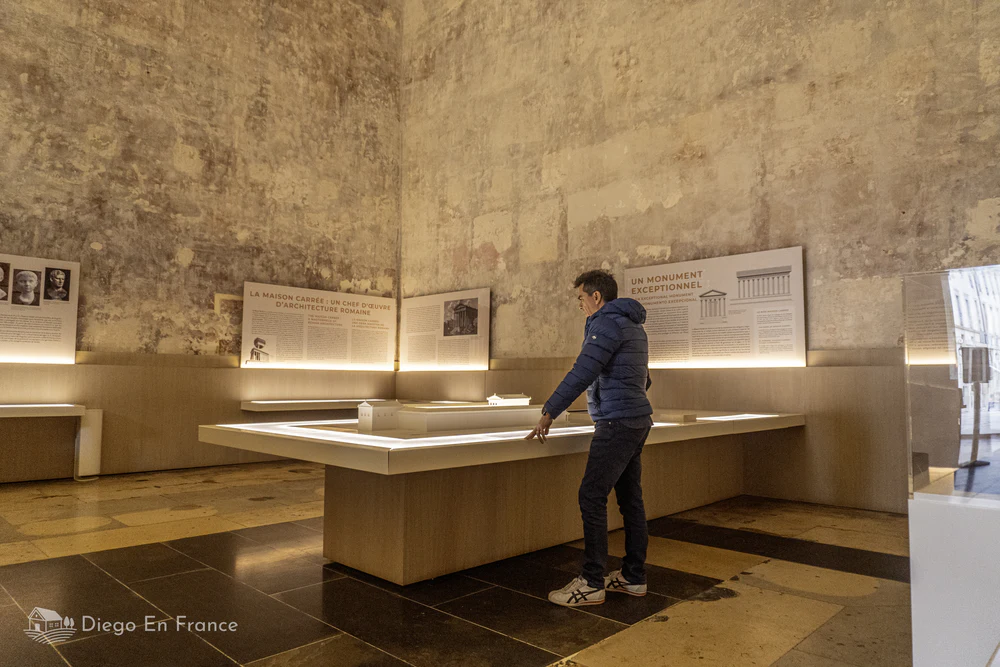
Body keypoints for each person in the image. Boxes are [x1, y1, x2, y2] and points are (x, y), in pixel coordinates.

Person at [526, 269, 653, 607]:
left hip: (616, 424)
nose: (580, 305)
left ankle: (592, 581)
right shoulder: (634, 325)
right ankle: (633, 577)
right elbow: (644, 380)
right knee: (630, 500)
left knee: (591, 496)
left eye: (580, 298)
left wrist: (550, 411)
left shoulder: (605, 324)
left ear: (596, 297)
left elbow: (583, 372)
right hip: (638, 419)